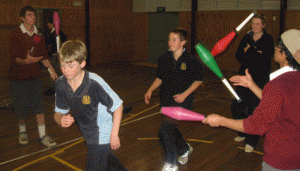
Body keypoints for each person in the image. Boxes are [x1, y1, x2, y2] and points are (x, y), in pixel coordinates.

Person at [203, 29, 300, 171]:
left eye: (279, 45)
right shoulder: (292, 81)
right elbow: (281, 106)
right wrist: (251, 85)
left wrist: (220, 120)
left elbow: (255, 125)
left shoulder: (277, 85)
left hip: (280, 161)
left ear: (285, 54)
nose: (275, 48)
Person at [54, 40, 128, 171]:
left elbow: (118, 106)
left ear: (82, 63)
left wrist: (114, 135)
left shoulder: (94, 83)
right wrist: (60, 119)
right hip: (87, 133)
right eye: (62, 66)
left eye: (70, 66)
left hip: (102, 133)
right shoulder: (61, 84)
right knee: (111, 165)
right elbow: (58, 112)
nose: (66, 70)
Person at [144, 28, 205, 171]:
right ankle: (184, 149)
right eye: (169, 39)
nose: (170, 42)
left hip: (183, 101)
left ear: (183, 42)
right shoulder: (164, 58)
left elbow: (198, 80)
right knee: (168, 130)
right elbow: (160, 77)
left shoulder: (191, 61)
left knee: (165, 129)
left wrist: (184, 94)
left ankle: (171, 163)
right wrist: (151, 89)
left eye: (174, 39)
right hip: (166, 100)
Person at [8, 6, 58, 147]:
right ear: (22, 18)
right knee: (21, 108)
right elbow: (15, 58)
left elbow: (43, 56)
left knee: (39, 107)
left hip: (35, 78)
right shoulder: (15, 34)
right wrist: (27, 61)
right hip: (18, 78)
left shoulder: (38, 35)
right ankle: (22, 131)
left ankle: (43, 135)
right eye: (29, 15)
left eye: (34, 15)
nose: (33, 18)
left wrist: (52, 71)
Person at [231, 14, 274, 153]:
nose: (255, 26)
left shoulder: (268, 39)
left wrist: (249, 51)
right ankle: (243, 132)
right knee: (236, 105)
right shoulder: (246, 37)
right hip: (243, 77)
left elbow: (265, 59)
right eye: (253, 24)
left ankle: (251, 140)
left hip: (259, 79)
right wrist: (254, 52)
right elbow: (238, 56)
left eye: (258, 24)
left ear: (263, 25)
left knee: (254, 109)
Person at [43, 13, 68, 96]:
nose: (47, 25)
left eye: (48, 24)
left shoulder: (55, 34)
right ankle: (57, 88)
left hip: (55, 56)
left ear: (51, 24)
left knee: (55, 71)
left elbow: (64, 43)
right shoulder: (54, 33)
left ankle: (55, 88)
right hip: (56, 56)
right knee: (57, 71)